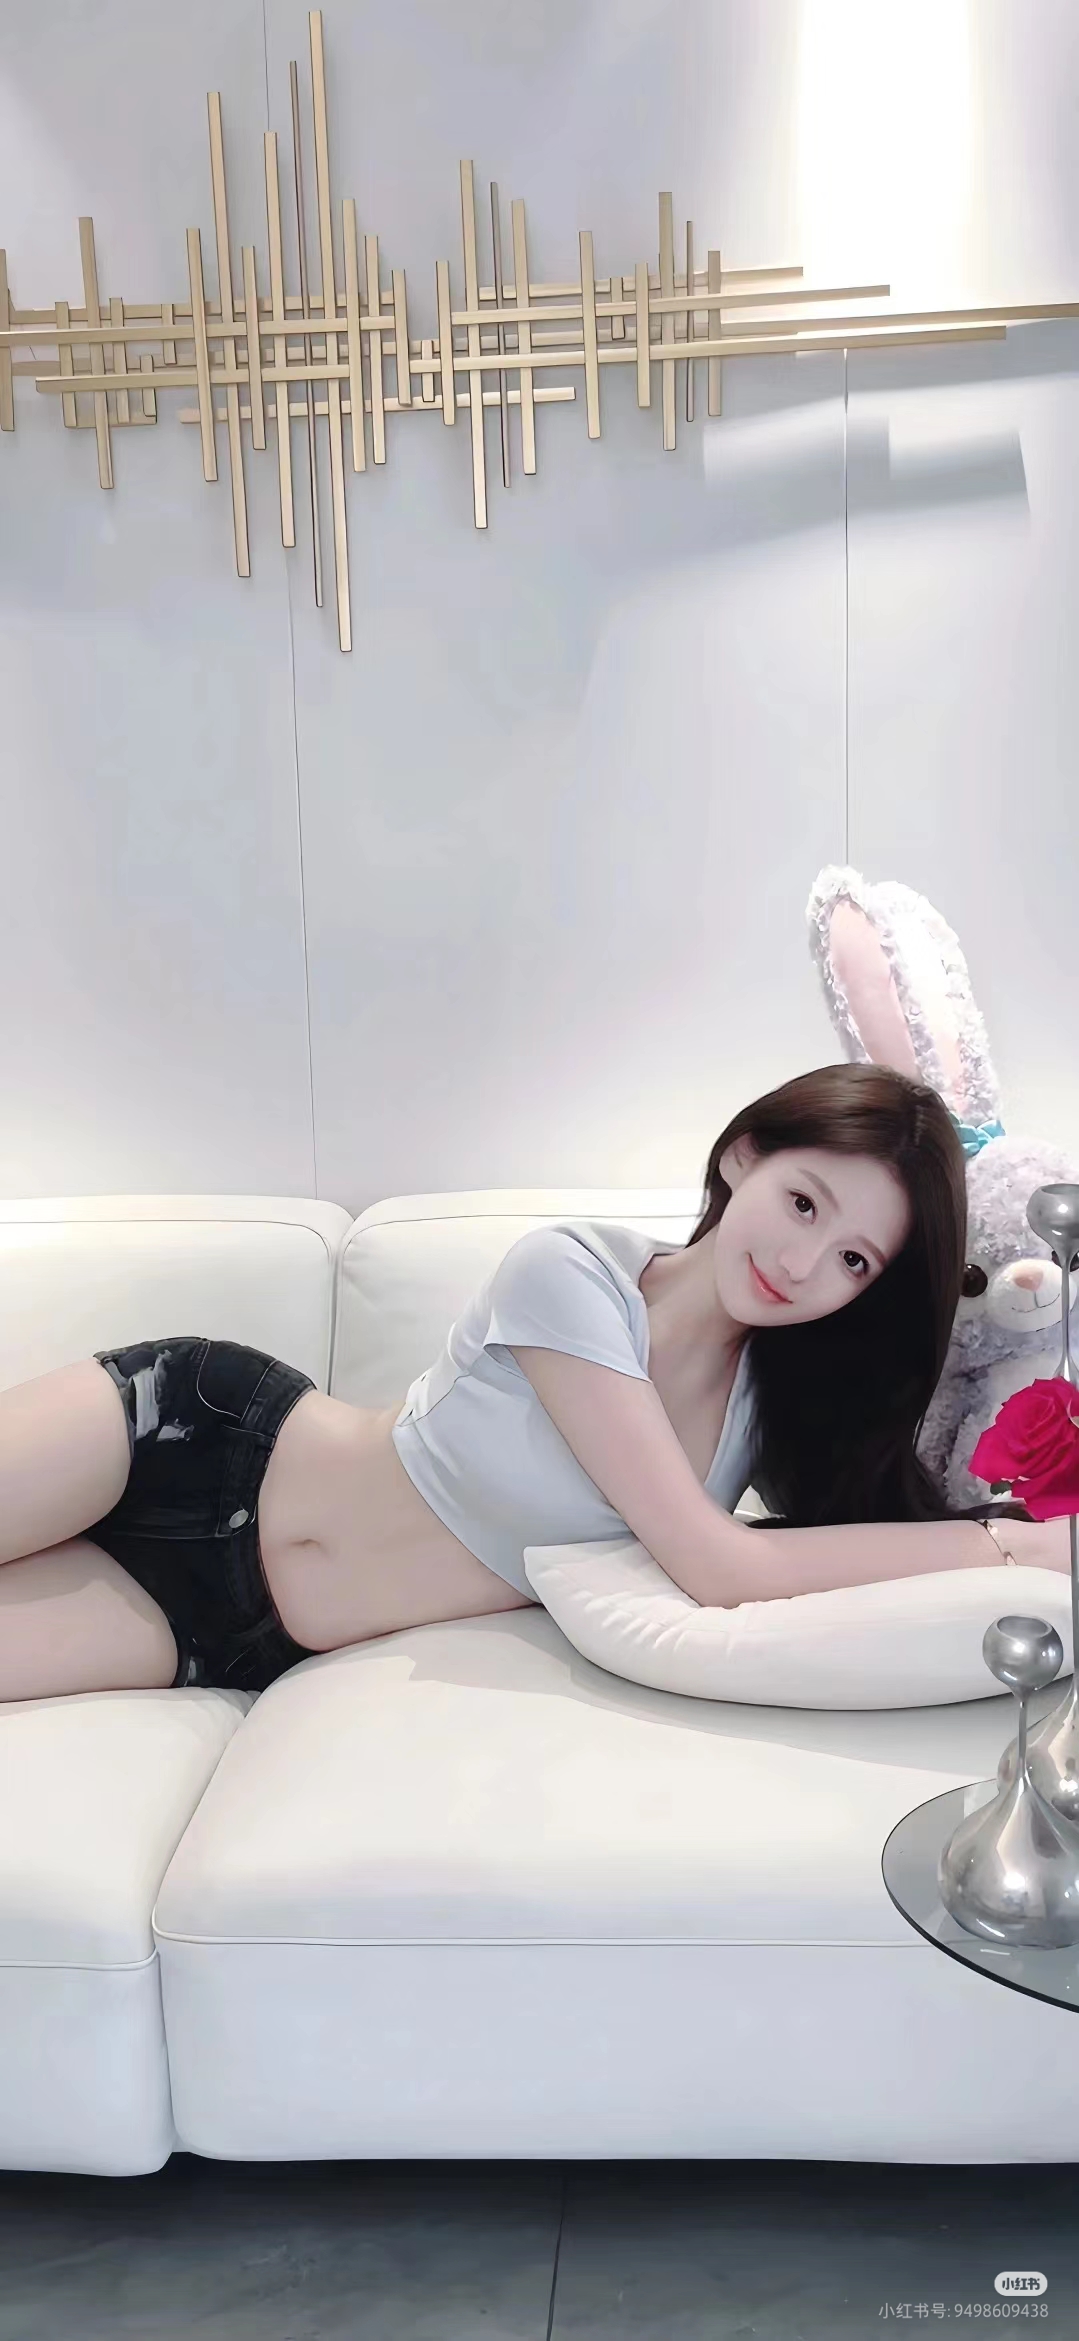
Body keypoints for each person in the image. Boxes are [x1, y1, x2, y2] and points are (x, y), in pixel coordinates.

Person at [0, 1062, 1066, 1704]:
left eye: (852, 1260)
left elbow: (819, 1559)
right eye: (802, 1202)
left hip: (240, 1630)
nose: (801, 1262)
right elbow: (716, 1564)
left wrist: (1004, 1510)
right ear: (743, 1155)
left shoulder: (772, 1407)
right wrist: (1009, 1543)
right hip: (188, 1431)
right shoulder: (570, 1275)